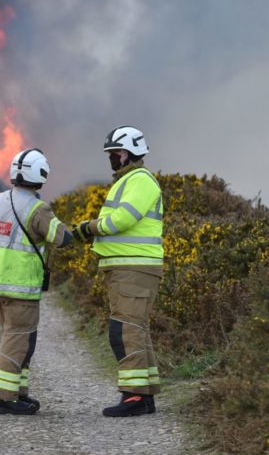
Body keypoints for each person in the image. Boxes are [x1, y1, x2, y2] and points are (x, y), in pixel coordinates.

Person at [72, 125, 164, 417]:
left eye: (116, 153)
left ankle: (134, 397)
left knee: (124, 331)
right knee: (135, 329)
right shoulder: (131, 180)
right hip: (129, 268)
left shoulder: (140, 180)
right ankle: (144, 396)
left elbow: (123, 218)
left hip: (134, 267)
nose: (113, 158)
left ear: (129, 154)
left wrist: (91, 227)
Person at [0, 148, 73, 415]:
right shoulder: (37, 208)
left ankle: (19, 393)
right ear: (40, 175)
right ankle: (3, 399)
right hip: (20, 287)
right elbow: (61, 238)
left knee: (19, 338)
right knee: (18, 339)